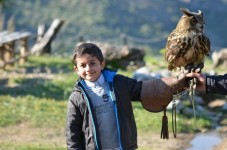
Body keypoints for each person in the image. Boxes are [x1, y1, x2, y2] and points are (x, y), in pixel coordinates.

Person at [66, 42, 190, 150]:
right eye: (83, 65)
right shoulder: (76, 97)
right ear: (76, 69)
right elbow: (73, 131)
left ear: (102, 64)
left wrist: (177, 82)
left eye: (92, 63)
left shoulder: (119, 83)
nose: (88, 68)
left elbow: (143, 89)